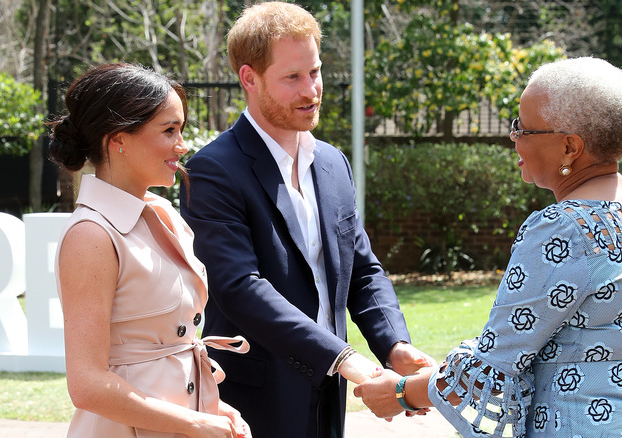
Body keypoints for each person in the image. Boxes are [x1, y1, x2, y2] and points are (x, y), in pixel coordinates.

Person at [353, 57, 622, 438]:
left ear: (569, 147)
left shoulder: (563, 227)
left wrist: (401, 392)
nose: (513, 138)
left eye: (523, 129)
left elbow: (495, 364)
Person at [179, 2, 436, 437]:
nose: (311, 90)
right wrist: (342, 357)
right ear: (249, 78)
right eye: (292, 77)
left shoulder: (333, 163)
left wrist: (395, 345)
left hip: (329, 396)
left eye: (314, 72)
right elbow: (239, 287)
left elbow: (362, 270)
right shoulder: (211, 170)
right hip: (252, 401)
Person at [49, 63, 251, 438]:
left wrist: (216, 410)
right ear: (118, 139)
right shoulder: (90, 235)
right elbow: (88, 384)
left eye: (181, 129)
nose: (182, 144)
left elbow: (170, 352)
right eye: (169, 130)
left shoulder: (163, 213)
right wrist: (196, 423)